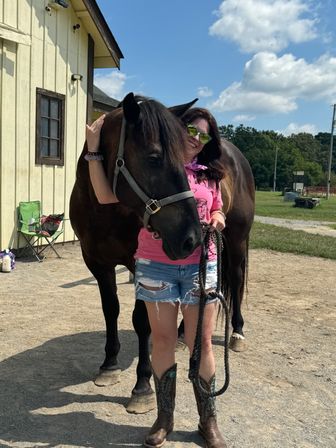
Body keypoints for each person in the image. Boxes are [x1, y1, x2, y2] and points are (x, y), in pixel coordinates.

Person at [85, 108, 227, 448]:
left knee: (200, 344)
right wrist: (93, 149)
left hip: (199, 266)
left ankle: (208, 421)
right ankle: (164, 418)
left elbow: (219, 207)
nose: (195, 137)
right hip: (155, 265)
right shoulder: (159, 166)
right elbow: (106, 195)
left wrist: (219, 219)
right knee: (162, 341)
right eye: (190, 129)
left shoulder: (211, 174)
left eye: (204, 134)